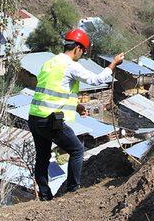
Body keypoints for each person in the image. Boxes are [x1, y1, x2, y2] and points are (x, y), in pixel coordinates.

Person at [28, 28, 124, 200]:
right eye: (83, 51)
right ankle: (73, 190)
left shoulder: (50, 62)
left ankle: (44, 195)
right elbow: (97, 80)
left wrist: (77, 106)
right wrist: (113, 64)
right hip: (50, 120)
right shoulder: (71, 66)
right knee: (77, 150)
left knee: (42, 156)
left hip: (35, 118)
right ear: (78, 48)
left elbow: (55, 91)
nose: (82, 55)